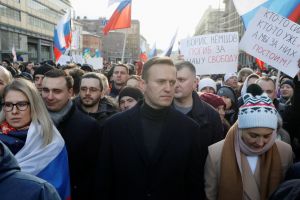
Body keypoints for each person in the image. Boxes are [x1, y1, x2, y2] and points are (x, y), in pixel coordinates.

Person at [95, 57, 208, 199]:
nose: (168, 88)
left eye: (172, 82)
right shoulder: (114, 126)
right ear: (143, 84)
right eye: (160, 81)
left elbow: (194, 187)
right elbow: (103, 182)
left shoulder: (190, 129)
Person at [204, 93, 293, 200]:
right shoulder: (216, 153)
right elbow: (210, 195)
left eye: (267, 136)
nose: (260, 143)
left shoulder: (284, 151)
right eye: (253, 135)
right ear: (240, 129)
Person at [0, 79, 71, 199]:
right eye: (8, 105)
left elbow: (57, 189)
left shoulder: (52, 143)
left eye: (22, 104)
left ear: (34, 105)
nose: (14, 111)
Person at [42, 69, 101, 200]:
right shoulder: (31, 121)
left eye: (57, 91)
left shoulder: (88, 127)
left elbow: (93, 175)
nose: (50, 97)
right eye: (46, 90)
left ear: (70, 92)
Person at [173, 61, 224, 145]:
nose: (176, 85)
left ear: (195, 83)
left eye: (181, 80)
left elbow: (216, 154)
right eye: (172, 80)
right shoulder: (160, 112)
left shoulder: (211, 115)